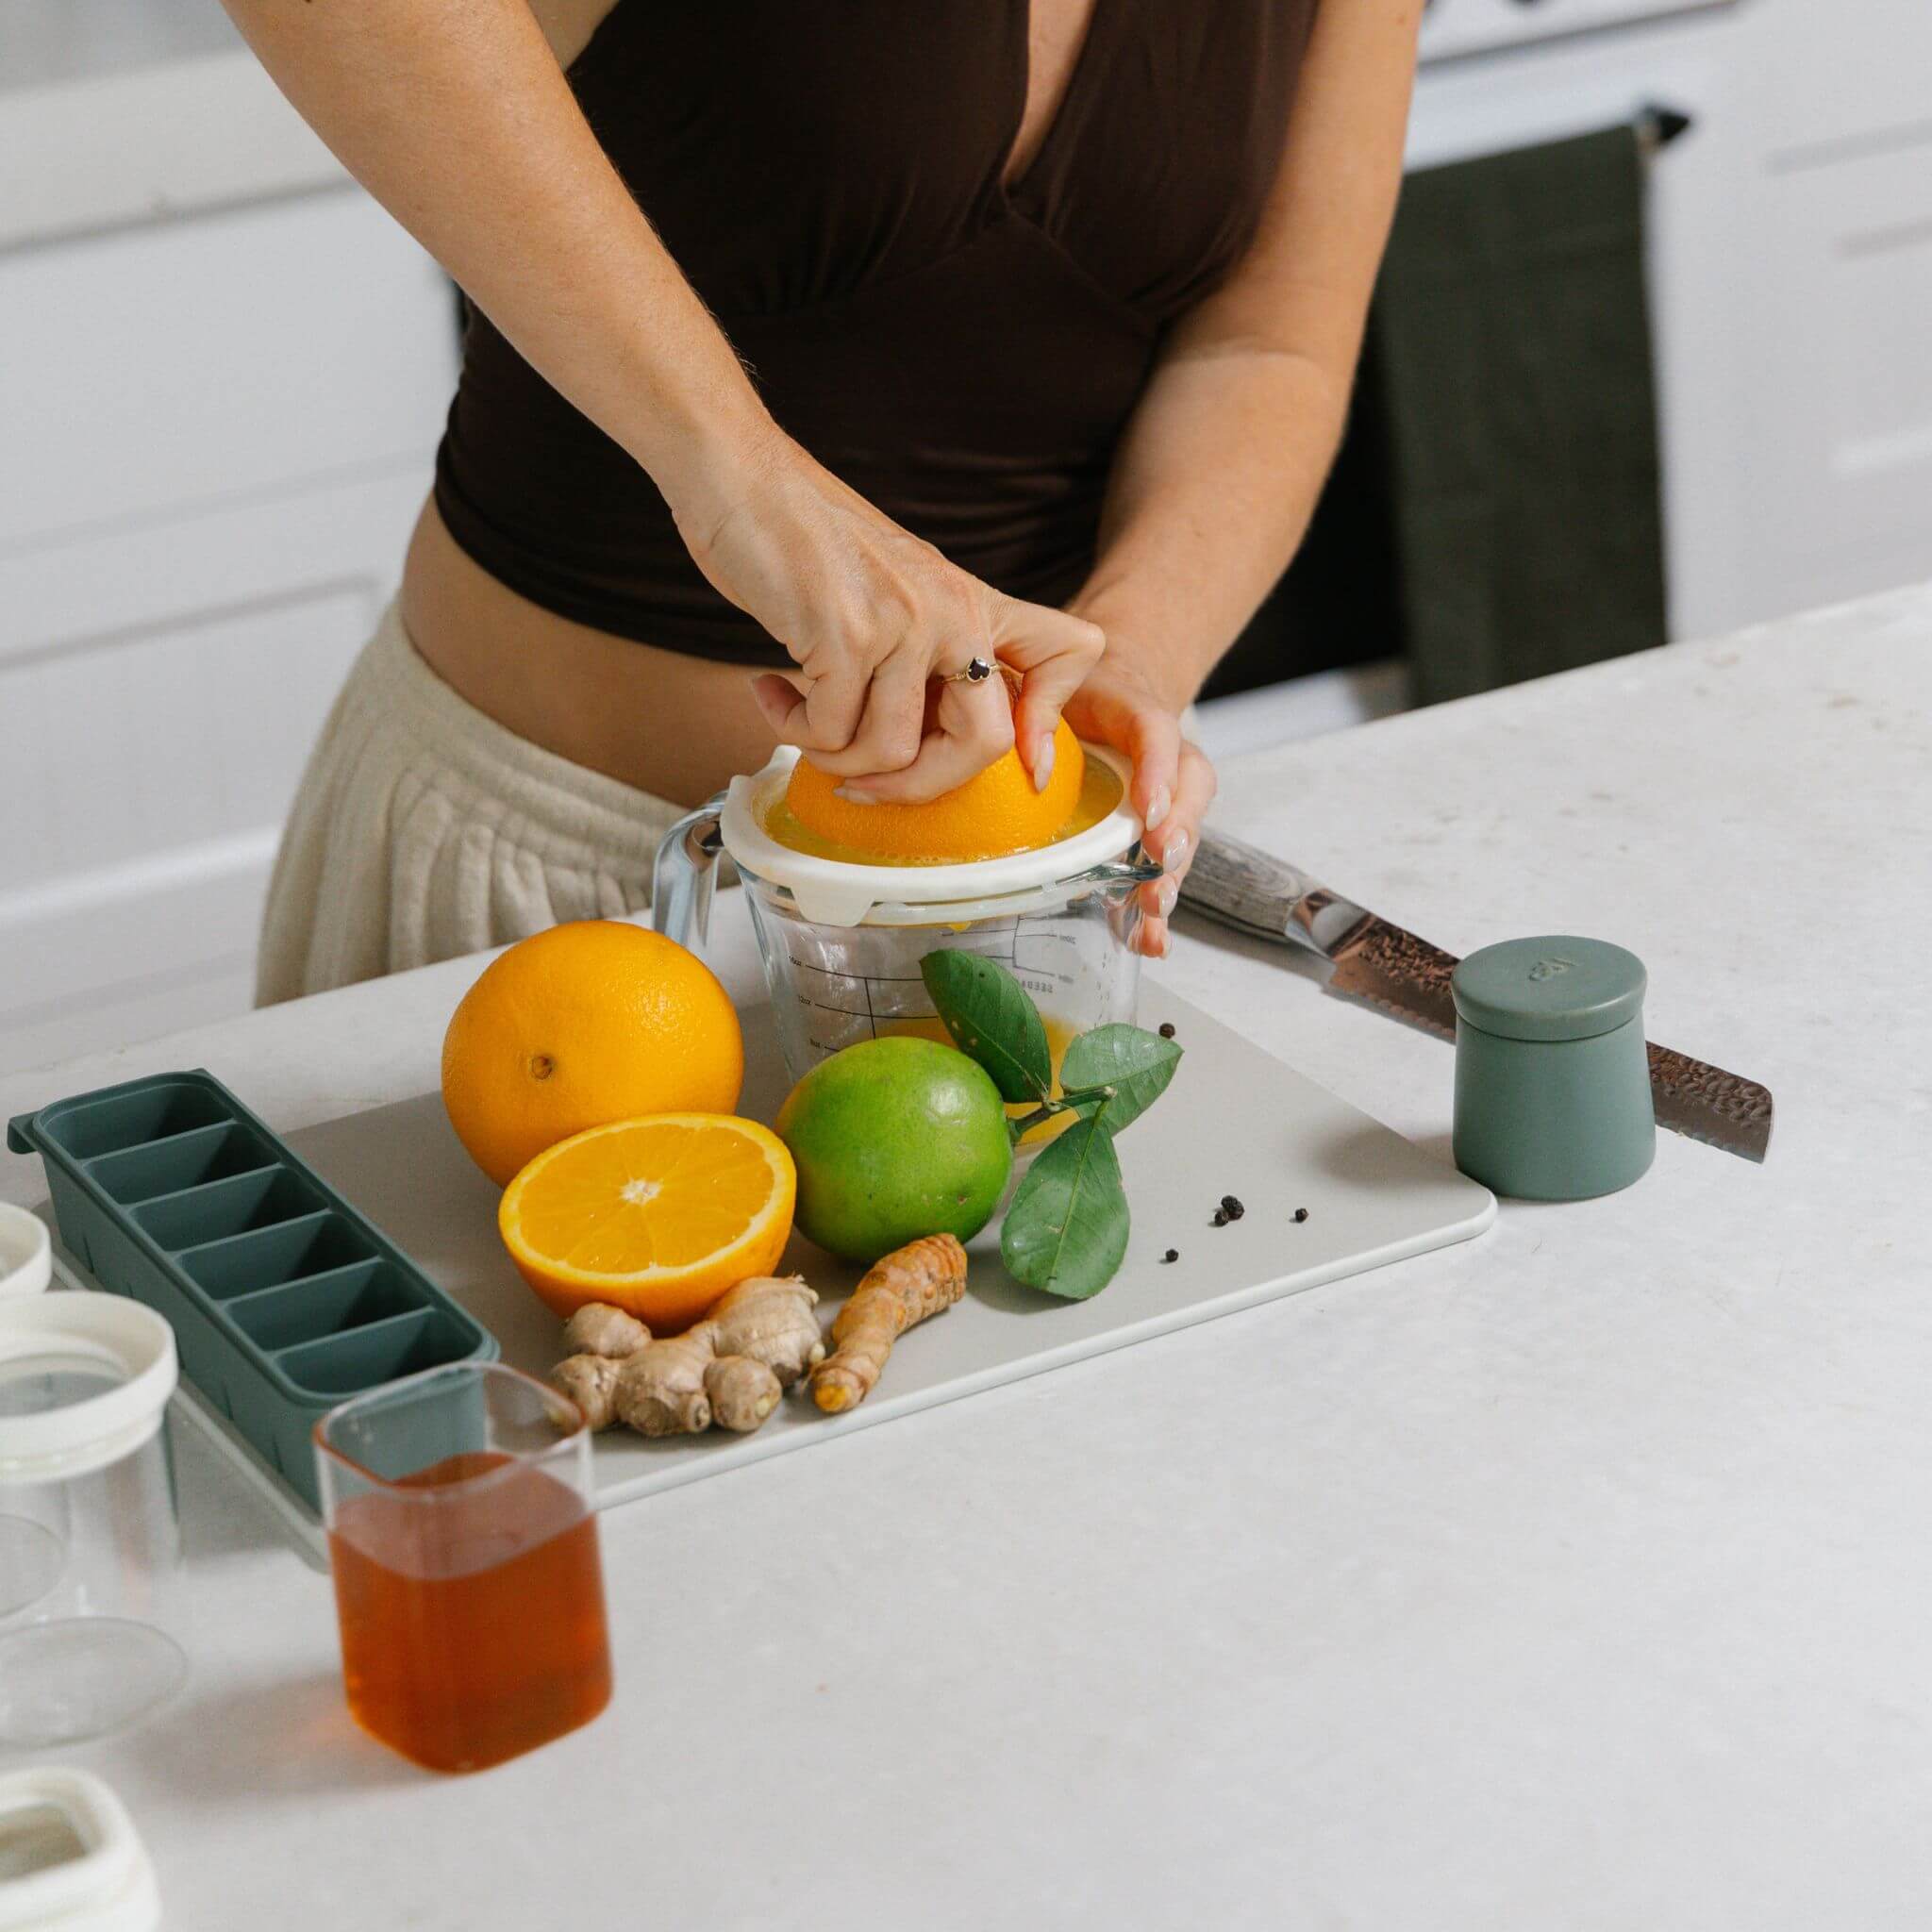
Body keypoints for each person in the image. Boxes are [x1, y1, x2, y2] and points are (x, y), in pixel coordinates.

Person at [235, 0, 1421, 1002]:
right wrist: (740, 477)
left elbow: (1265, 349)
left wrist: (1134, 657)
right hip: (545, 904)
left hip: (1026, 915)